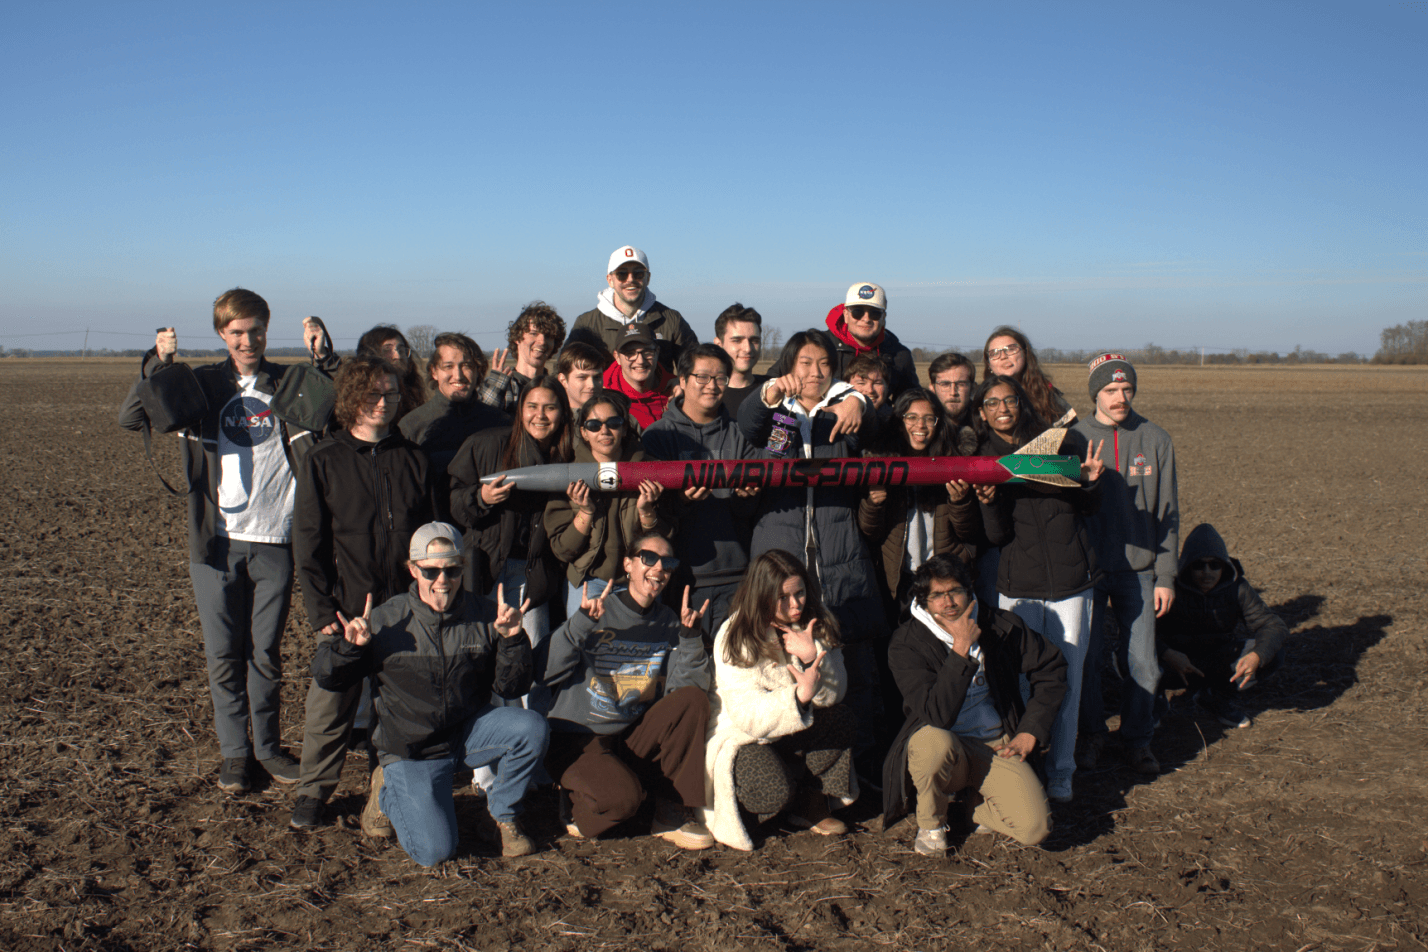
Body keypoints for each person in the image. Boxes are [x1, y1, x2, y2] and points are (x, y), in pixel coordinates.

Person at [117, 289, 333, 794]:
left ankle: (268, 749)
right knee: (223, 656)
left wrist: (324, 359)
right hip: (216, 544)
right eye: (236, 332)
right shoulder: (200, 384)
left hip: (278, 539)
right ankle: (235, 755)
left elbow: (341, 411)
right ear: (221, 333)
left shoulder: (291, 383)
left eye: (256, 330)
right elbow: (131, 418)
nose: (247, 340)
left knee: (266, 655)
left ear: (267, 329)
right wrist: (158, 365)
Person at [312, 524, 549, 863]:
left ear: (462, 569)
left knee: (531, 727)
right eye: (431, 571)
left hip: (465, 734)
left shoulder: (485, 615)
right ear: (413, 569)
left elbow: (511, 687)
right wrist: (349, 649)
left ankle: (502, 816)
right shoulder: (386, 621)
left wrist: (513, 641)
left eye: (452, 570)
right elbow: (328, 678)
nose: (443, 580)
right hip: (412, 749)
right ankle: (386, 791)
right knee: (435, 852)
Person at [289, 356, 435, 830]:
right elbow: (308, 543)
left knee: (395, 710)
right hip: (347, 609)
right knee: (330, 705)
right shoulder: (323, 459)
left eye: (390, 394)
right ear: (352, 398)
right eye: (373, 393)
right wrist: (322, 610)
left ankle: (384, 788)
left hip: (405, 611)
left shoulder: (413, 458)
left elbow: (431, 535)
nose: (382, 403)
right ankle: (313, 791)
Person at [737, 329, 885, 782]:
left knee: (848, 664)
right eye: (805, 362)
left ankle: (855, 771)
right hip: (780, 553)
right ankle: (786, 768)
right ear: (788, 366)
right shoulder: (773, 411)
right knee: (780, 664)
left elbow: (875, 430)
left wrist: (861, 403)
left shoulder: (844, 408)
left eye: (823, 363)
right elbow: (747, 421)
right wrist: (769, 394)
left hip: (838, 555)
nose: (815, 372)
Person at [974, 374, 1105, 804]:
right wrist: (989, 503)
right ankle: (1027, 772)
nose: (1003, 409)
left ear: (1022, 403)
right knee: (1025, 684)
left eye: (1010, 400)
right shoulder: (983, 460)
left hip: (1072, 582)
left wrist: (1090, 481)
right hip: (1020, 587)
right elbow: (996, 536)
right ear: (982, 413)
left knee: (1069, 680)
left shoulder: (1057, 447)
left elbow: (1087, 507)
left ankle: (1062, 771)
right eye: (992, 403)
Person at [881, 557, 1067, 856]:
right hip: (944, 746)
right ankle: (931, 825)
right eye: (937, 595)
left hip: (996, 744)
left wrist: (1030, 730)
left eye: (955, 591)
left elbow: (1051, 667)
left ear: (969, 590)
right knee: (932, 743)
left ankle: (973, 808)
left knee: (1035, 829)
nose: (948, 602)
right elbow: (937, 715)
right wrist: (960, 649)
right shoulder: (907, 643)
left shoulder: (1000, 625)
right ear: (923, 601)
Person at [542, 529, 715, 849]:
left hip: (630, 737)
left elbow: (684, 693)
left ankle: (671, 810)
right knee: (623, 804)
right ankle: (577, 799)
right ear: (628, 564)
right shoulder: (598, 609)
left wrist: (691, 640)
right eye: (649, 558)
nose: (659, 568)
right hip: (581, 739)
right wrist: (579, 625)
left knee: (692, 699)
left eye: (667, 562)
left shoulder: (669, 621)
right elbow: (545, 671)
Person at [701, 550, 857, 851]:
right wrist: (798, 697)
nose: (795, 604)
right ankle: (750, 807)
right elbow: (747, 714)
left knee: (841, 719)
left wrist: (812, 657)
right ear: (762, 596)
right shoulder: (735, 634)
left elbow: (835, 694)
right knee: (772, 790)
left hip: (794, 729)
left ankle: (811, 802)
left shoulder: (815, 620)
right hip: (745, 736)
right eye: (783, 597)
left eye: (799, 593)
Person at [1072, 354, 1180, 776]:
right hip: (1089, 571)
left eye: (1127, 389)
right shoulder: (1074, 438)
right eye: (1111, 390)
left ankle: (1137, 740)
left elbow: (1168, 512)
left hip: (1139, 571)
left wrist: (1165, 575)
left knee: (1144, 662)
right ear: (1095, 393)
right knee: (1088, 659)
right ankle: (1091, 735)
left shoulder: (1155, 439)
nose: (1120, 397)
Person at [642, 342, 760, 638]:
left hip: (737, 576)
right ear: (682, 380)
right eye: (702, 377)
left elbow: (751, 510)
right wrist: (681, 501)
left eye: (720, 378)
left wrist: (746, 497)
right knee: (687, 660)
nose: (712, 385)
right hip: (681, 577)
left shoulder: (740, 435)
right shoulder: (658, 436)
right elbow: (651, 513)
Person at [448, 376, 570, 659]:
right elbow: (454, 502)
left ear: (563, 412)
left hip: (533, 577)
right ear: (520, 410)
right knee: (480, 656)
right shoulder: (486, 445)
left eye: (550, 407)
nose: (540, 416)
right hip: (486, 572)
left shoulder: (568, 457)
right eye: (532, 406)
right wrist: (481, 498)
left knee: (530, 656)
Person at [859, 387, 980, 622]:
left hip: (945, 580)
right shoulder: (881, 463)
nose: (920, 426)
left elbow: (970, 532)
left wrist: (960, 502)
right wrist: (873, 504)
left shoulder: (954, 461)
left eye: (928, 418)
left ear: (938, 422)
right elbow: (870, 533)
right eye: (911, 417)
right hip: (901, 581)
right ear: (899, 421)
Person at [545, 393, 674, 609]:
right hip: (588, 581)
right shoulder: (568, 476)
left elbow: (665, 543)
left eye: (613, 423)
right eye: (594, 425)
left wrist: (646, 511)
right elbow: (563, 550)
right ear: (584, 432)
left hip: (640, 580)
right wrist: (585, 513)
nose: (604, 431)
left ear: (624, 428)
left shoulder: (651, 471)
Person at [1156, 524, 1290, 729]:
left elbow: (1273, 625)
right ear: (1186, 566)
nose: (1207, 572)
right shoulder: (1169, 587)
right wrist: (1168, 653)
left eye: (1214, 565)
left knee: (1272, 653)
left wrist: (1256, 656)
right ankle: (1153, 701)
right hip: (1174, 664)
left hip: (1216, 661)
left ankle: (1216, 697)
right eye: (1198, 565)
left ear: (1224, 565)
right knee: (1129, 656)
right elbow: (1141, 632)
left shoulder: (1237, 587)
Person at [398, 331, 506, 516]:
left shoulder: (499, 423)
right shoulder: (411, 426)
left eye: (467, 366)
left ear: (478, 371)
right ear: (434, 372)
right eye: (448, 366)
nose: (458, 375)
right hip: (433, 527)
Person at [569, 245, 697, 373]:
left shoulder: (671, 320)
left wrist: (677, 381)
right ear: (610, 280)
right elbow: (566, 370)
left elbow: (694, 367)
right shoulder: (587, 323)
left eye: (638, 274)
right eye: (622, 274)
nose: (630, 279)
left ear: (648, 278)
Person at [823, 282, 918, 396]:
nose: (866, 319)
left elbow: (909, 400)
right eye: (858, 312)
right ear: (846, 315)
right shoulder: (822, 347)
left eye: (875, 313)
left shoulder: (899, 355)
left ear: (883, 318)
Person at [478, 302, 567, 414]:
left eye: (549, 336)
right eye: (533, 333)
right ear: (518, 337)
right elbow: (482, 418)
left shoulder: (557, 389)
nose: (542, 341)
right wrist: (495, 388)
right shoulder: (502, 385)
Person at [982, 327, 1072, 426]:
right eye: (995, 353)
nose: (1003, 356)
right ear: (989, 364)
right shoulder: (980, 399)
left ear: (1025, 353)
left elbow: (1074, 431)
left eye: (1011, 349)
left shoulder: (1048, 395)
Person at [602, 325, 675, 430]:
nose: (640, 361)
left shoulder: (676, 390)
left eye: (647, 352)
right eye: (630, 353)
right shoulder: (602, 395)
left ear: (657, 352)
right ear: (617, 357)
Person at [356, 325, 426, 421]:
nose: (397, 356)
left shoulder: (414, 395)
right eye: (387, 350)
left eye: (401, 350)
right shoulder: (358, 397)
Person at [712, 303, 767, 418]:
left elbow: (790, 424)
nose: (748, 349)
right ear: (718, 345)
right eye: (737, 340)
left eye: (754, 341)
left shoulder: (773, 391)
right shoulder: (706, 395)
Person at [554, 341, 609, 413]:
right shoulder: (549, 417)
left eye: (597, 377)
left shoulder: (615, 415)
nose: (591, 385)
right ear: (563, 380)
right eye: (582, 377)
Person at [927, 352, 977, 427]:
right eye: (945, 384)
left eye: (961, 384)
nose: (953, 393)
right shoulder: (922, 426)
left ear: (972, 388)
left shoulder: (987, 425)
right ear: (932, 388)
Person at [845, 353, 894, 431]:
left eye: (877, 383)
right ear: (846, 385)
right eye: (861, 383)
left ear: (887, 385)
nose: (870, 390)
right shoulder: (832, 419)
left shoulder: (898, 426)